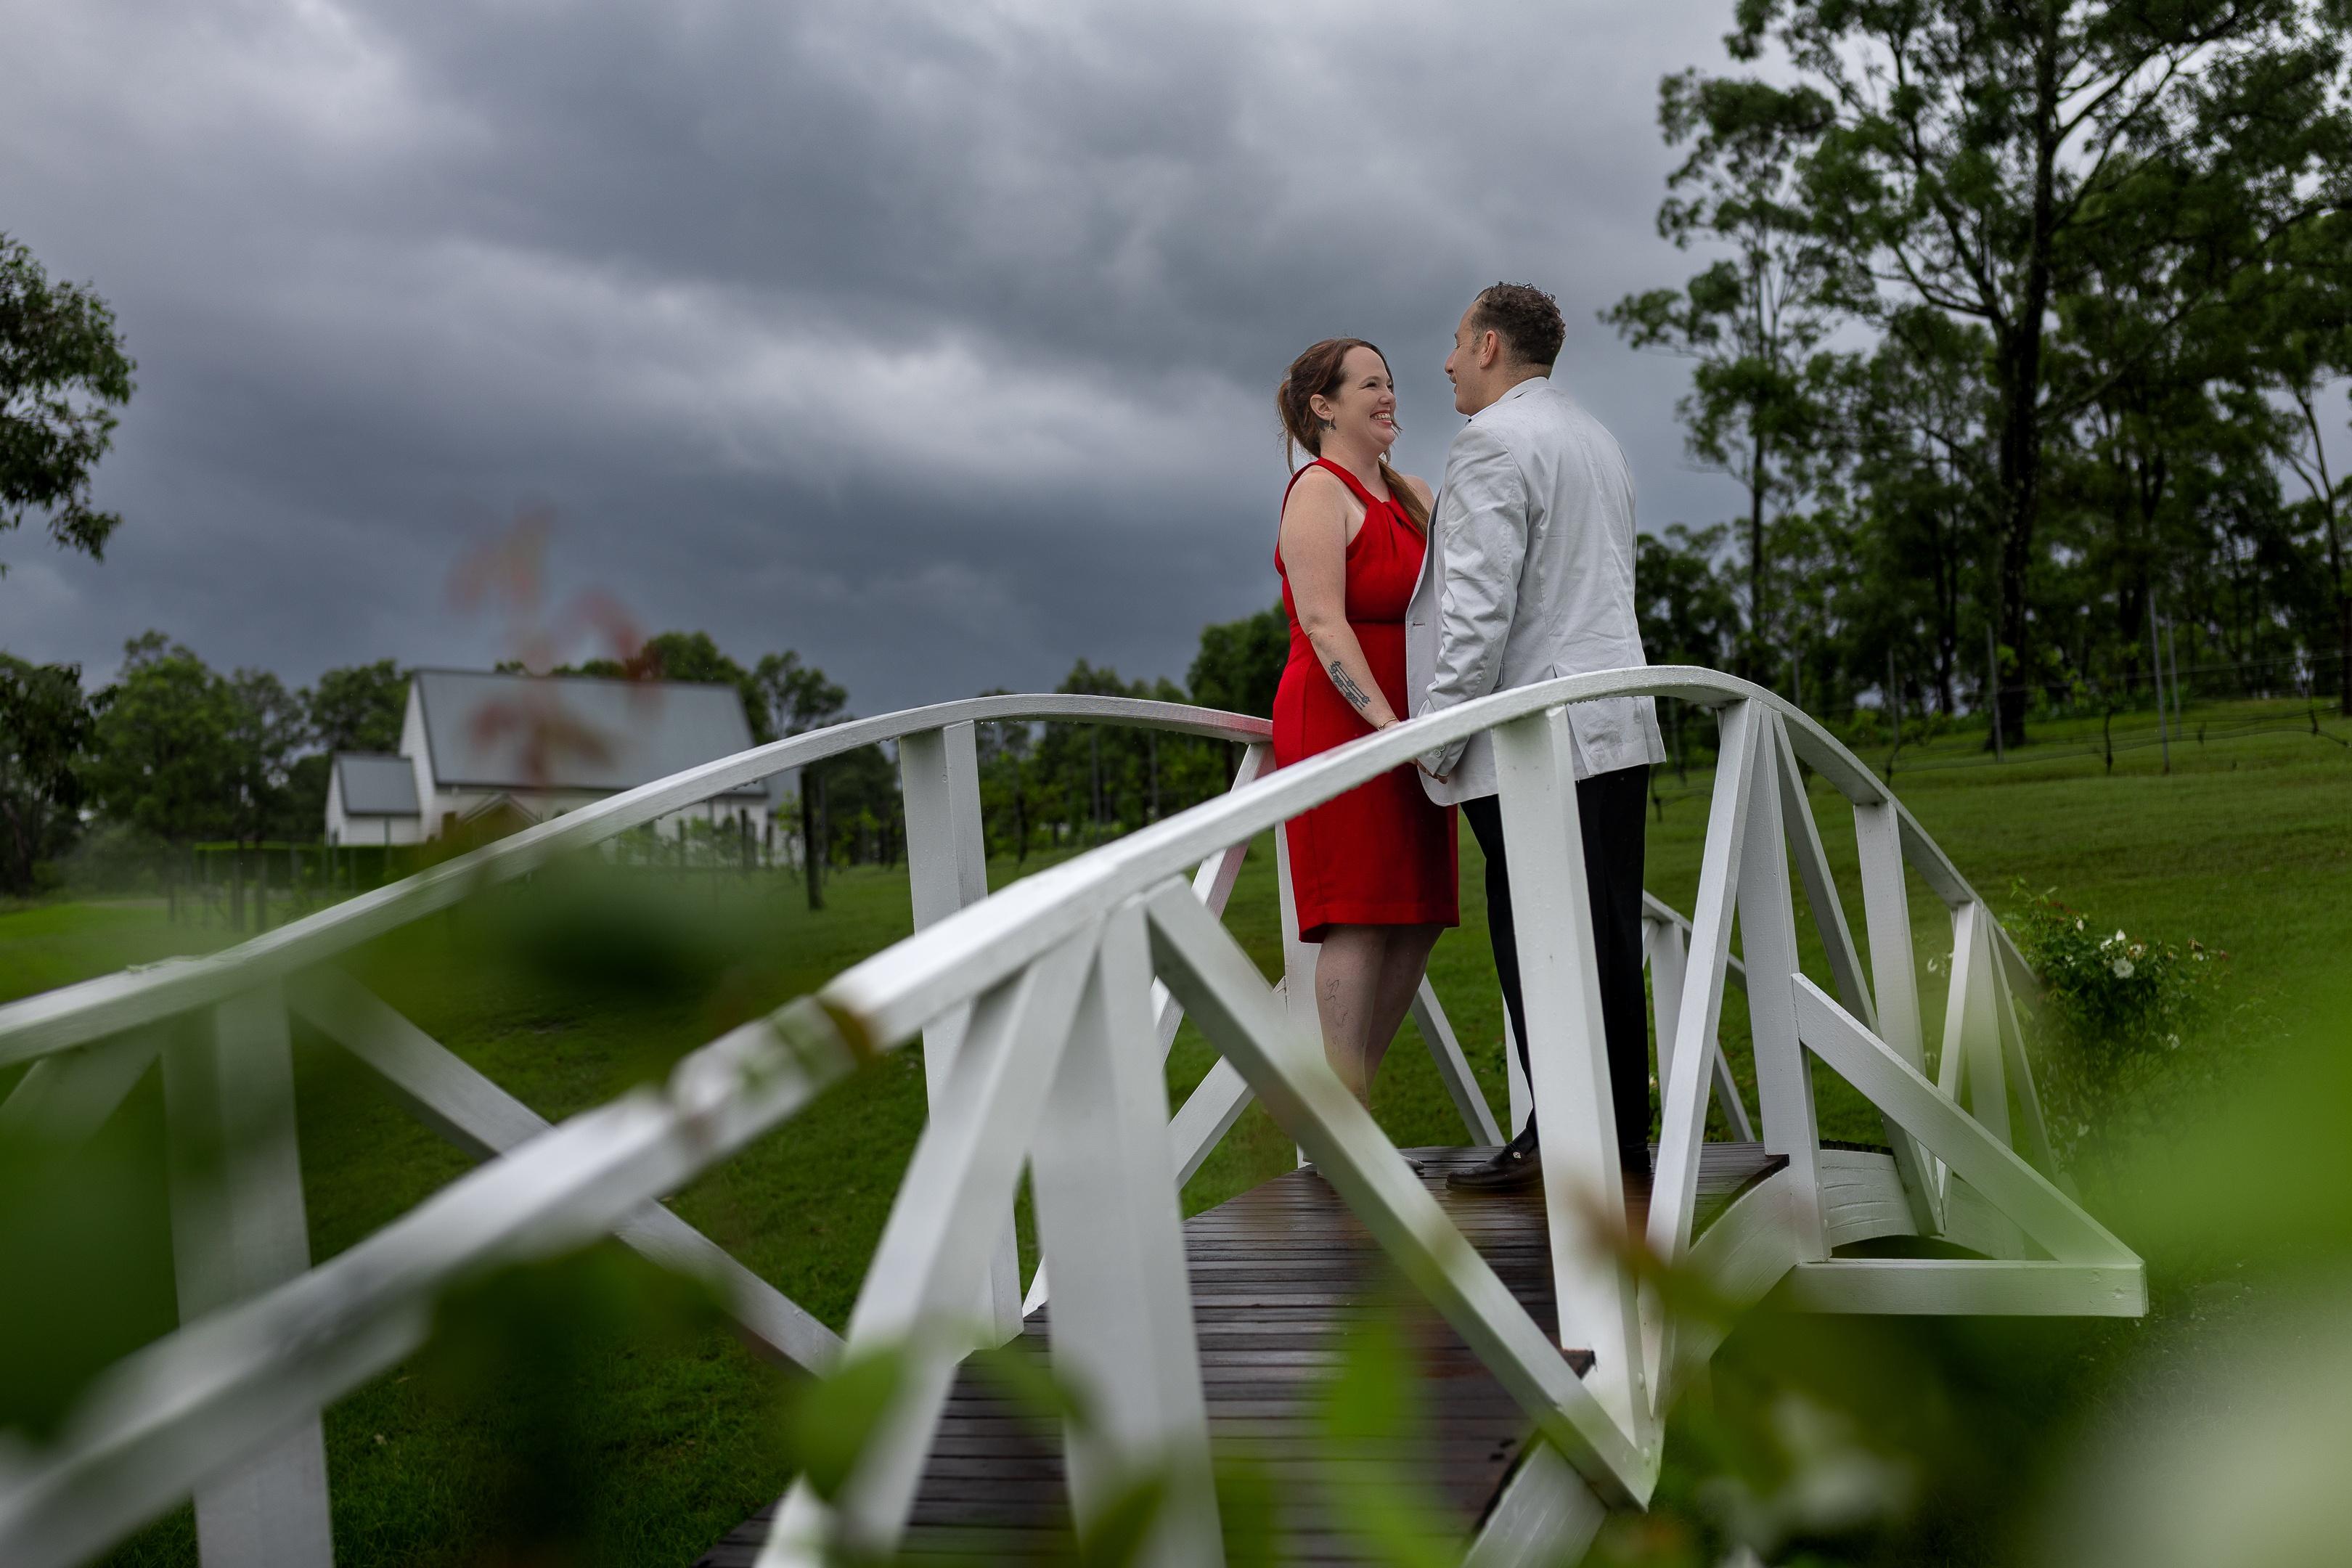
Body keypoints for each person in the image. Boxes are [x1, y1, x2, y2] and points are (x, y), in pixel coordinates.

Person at [1405, 284, 1666, 1196]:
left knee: (1540, 937)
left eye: (1452, 340)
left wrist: (1435, 740)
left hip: (1535, 741)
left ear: (1486, 345)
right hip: (1614, 723)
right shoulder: (1594, 438)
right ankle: (1617, 1144)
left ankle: (1569, 1142)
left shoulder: (1491, 445)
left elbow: (1477, 616)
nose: (1442, 362)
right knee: (1603, 935)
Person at [1271, 338, 1460, 1111]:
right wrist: (1388, 726)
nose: (1390, 397)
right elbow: (1321, 621)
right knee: (1358, 917)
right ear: (1324, 406)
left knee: (1418, 918)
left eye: (1391, 383)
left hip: (1414, 725)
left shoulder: (1414, 492)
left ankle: (1351, 1100)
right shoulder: (1317, 489)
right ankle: (1340, 1125)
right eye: (1371, 385)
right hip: (1344, 724)